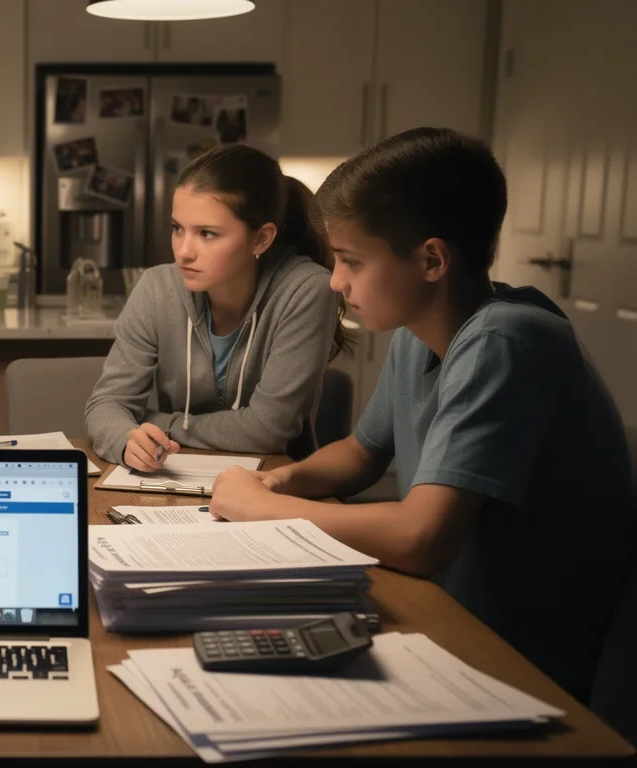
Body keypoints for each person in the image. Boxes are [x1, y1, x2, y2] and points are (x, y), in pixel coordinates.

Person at [210, 127, 637, 702]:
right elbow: (361, 454)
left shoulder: (503, 340)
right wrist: (284, 478)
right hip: (441, 617)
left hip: (513, 666)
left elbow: (421, 537)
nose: (336, 281)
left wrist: (266, 509)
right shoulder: (422, 333)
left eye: (352, 261)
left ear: (432, 260)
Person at [85, 144, 345, 469]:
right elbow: (106, 405)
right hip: (173, 480)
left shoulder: (306, 290)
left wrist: (157, 422)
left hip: (273, 487)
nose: (183, 251)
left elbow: (269, 430)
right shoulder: (156, 288)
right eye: (177, 228)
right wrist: (126, 440)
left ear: (261, 239)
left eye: (207, 234)